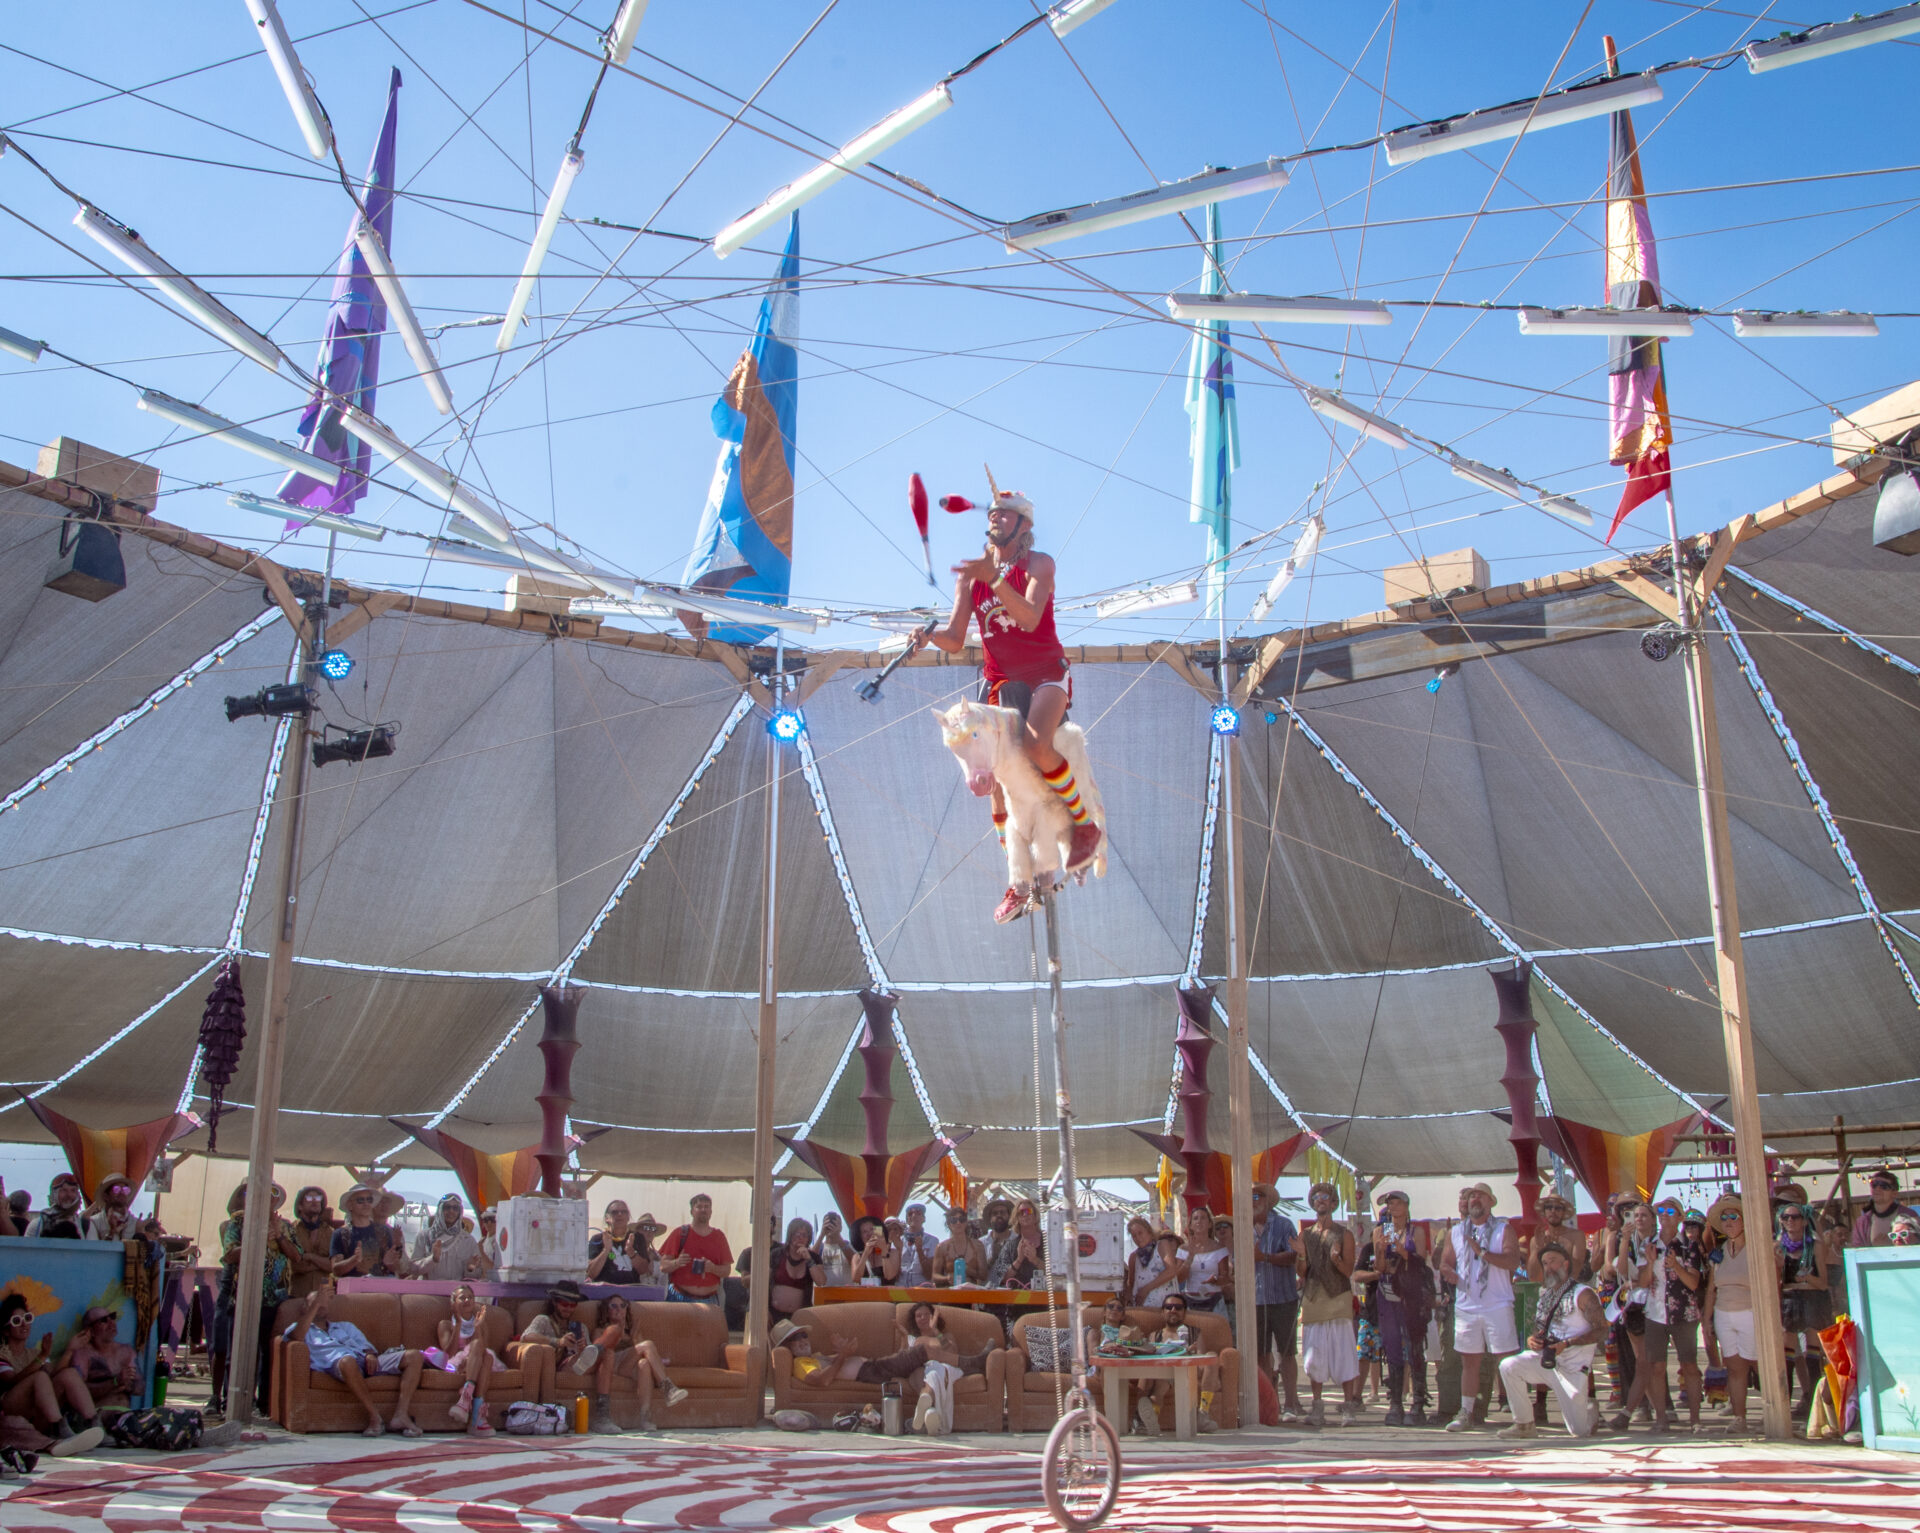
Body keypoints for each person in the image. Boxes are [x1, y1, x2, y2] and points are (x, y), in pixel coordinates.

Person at [917, 487, 1101, 922]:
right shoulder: (973, 575)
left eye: (1005, 514)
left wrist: (994, 577)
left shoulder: (1040, 564)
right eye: (993, 513)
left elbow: (1030, 618)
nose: (995, 518)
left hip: (1045, 673)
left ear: (1024, 527)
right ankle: (1018, 882)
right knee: (996, 779)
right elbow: (957, 638)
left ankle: (1083, 827)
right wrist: (926, 635)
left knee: (1038, 749)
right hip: (999, 679)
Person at [1496, 1242, 1607, 1439]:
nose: (1548, 1267)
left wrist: (1568, 1344)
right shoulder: (1545, 1294)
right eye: (1545, 1263)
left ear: (1565, 1264)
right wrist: (1533, 1340)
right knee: (1509, 1365)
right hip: (1547, 1361)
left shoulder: (1583, 1293)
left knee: (1579, 1431)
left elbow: (1602, 1330)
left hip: (1572, 1367)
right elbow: (1539, 1329)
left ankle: (1590, 1411)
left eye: (1553, 1261)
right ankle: (1524, 1424)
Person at [282, 1287, 424, 1438]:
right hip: (341, 1365)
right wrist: (316, 1304)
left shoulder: (345, 1326)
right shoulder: (301, 1329)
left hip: (364, 1362)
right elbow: (295, 1337)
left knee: (414, 1356)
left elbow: (368, 1348)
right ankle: (375, 1417)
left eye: (324, 1302)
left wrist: (370, 1355)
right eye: (316, 1302)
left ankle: (400, 1415)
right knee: (348, 1361)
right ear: (305, 1307)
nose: (321, 1305)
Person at [1437, 1181, 1520, 1432]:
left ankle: (1519, 1414)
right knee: (1469, 1362)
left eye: (1481, 1196)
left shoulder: (1503, 1229)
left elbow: (1512, 1261)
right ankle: (1466, 1412)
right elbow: (1445, 1262)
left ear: (1491, 1202)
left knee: (1506, 1361)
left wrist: (1483, 1253)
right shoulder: (1456, 1232)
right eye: (1472, 1196)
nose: (1475, 1200)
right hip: (1467, 1305)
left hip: (1497, 1303)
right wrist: (1448, 1272)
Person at [213, 1181, 295, 1419]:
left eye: (272, 1193)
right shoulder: (236, 1223)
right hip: (241, 1295)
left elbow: (297, 1255)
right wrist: (256, 1238)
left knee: (269, 1351)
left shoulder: (286, 1226)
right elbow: (229, 1254)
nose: (264, 1197)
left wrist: (278, 1236)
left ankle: (266, 1405)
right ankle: (233, 1402)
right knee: (234, 1350)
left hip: (275, 1298)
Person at [1356, 1188, 1430, 1427]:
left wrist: (1403, 1253)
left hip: (1410, 1295)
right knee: (1391, 1346)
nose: (1393, 1207)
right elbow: (1380, 1267)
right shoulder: (1381, 1231)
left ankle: (1418, 1401)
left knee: (1414, 1346)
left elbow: (1421, 1262)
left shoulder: (1415, 1231)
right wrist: (1379, 1250)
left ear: (1406, 1206)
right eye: (1390, 1204)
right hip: (1387, 1292)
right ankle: (1395, 1402)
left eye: (1397, 1203)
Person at [0, 1294, 108, 1456]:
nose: (24, 1325)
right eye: (17, 1321)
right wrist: (41, 1358)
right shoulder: (3, 1354)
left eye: (27, 1319)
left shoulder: (34, 1353)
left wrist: (70, 1350)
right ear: (6, 1331)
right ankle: (58, 1428)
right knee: (39, 1376)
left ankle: (94, 1424)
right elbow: (10, 1381)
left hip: (38, 1415)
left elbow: (53, 1381)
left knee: (68, 1374)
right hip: (13, 1413)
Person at [1293, 1182, 1359, 1428]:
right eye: (1316, 1197)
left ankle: (1348, 1407)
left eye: (1325, 1197)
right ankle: (1317, 1406)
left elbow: (1348, 1270)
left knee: (1343, 1353)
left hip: (1338, 1299)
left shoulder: (1345, 1234)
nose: (1320, 1200)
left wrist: (1336, 1258)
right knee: (1313, 1357)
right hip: (1313, 1299)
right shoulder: (1306, 1235)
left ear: (1333, 1204)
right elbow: (1302, 1271)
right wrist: (1301, 1254)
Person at [1641, 1200, 1708, 1431]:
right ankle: (1661, 1419)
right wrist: (1650, 1264)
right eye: (1660, 1211)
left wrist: (1676, 1267)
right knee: (1656, 1367)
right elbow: (1642, 1282)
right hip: (1655, 1312)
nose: (1664, 1215)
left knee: (1689, 1365)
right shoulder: (1650, 1244)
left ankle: (1695, 1419)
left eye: (1670, 1211)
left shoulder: (1689, 1246)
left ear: (1680, 1217)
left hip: (1684, 1313)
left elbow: (1693, 1283)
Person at [1702, 1195, 1761, 1433]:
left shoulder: (1758, 1247)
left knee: (1759, 1364)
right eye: (1724, 1218)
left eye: (1733, 1217)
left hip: (1751, 1311)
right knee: (1735, 1368)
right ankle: (1740, 1418)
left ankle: (1776, 1409)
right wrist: (1706, 1319)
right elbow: (1711, 1288)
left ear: (1744, 1220)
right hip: (1724, 1313)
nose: (1728, 1222)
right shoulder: (1719, 1252)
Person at [1249, 1185, 1303, 1422]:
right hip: (1255, 1300)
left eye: (1256, 1196)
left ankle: (1291, 1404)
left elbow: (1294, 1257)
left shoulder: (1283, 1225)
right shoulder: (1241, 1227)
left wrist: (1266, 1258)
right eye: (1249, 1197)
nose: (1253, 1201)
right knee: (1260, 1356)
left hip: (1283, 1298)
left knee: (1287, 1353)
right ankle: (1269, 1406)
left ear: (1268, 1200)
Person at [1776, 1202, 1833, 1417]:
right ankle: (1784, 1406)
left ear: (1804, 1220)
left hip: (1812, 1297)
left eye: (1796, 1217)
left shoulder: (1815, 1245)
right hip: (1789, 1299)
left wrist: (1806, 1276)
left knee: (1813, 1354)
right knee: (1787, 1354)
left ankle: (1815, 1405)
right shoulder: (1777, 1246)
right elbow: (1776, 1283)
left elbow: (1823, 1283)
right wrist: (1780, 1267)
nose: (1791, 1221)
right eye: (1786, 1217)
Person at [429, 1284, 498, 1437]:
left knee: (486, 1356)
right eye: (462, 1297)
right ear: (453, 1303)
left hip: (476, 1362)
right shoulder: (445, 1325)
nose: (467, 1300)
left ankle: (465, 1402)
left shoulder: (480, 1322)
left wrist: (478, 1328)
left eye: (470, 1297)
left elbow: (482, 1349)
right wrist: (459, 1325)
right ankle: (477, 1419)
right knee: (483, 1355)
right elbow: (449, 1353)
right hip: (456, 1363)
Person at [659, 1193, 732, 1305]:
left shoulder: (719, 1236)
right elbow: (663, 1266)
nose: (703, 1210)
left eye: (707, 1206)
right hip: (680, 1298)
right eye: (699, 1207)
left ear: (711, 1212)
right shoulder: (680, 1233)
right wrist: (677, 1262)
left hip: (709, 1301)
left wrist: (712, 1268)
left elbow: (727, 1271)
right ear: (692, 1211)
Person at [331, 1184, 408, 1278]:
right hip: (353, 1289)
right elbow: (336, 1270)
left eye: (369, 1200)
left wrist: (389, 1263)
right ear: (350, 1205)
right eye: (360, 1200)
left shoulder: (385, 1231)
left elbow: (396, 1268)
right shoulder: (341, 1233)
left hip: (381, 1289)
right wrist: (354, 1260)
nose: (366, 1203)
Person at [411, 1193, 484, 1281]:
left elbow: (477, 1275)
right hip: (429, 1291)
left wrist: (470, 1268)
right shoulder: (424, 1236)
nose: (451, 1211)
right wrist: (432, 1259)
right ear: (440, 1210)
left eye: (455, 1208)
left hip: (455, 1291)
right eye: (447, 1207)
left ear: (459, 1212)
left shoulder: (468, 1240)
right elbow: (413, 1269)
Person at [587, 1201, 659, 1284]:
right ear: (607, 1218)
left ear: (628, 1217)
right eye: (615, 1212)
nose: (620, 1214)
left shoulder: (637, 1238)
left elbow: (643, 1270)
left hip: (630, 1291)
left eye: (624, 1212)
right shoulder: (597, 1239)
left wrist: (631, 1252)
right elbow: (591, 1273)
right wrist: (606, 1250)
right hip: (604, 1290)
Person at [286, 1186, 338, 1299]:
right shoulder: (291, 1230)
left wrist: (309, 1257)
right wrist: (322, 1263)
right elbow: (295, 1266)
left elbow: (333, 1266)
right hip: (298, 1295)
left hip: (325, 1296)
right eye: (309, 1198)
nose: (315, 1201)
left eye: (318, 1198)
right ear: (299, 1206)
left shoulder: (331, 1232)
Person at [770, 1219, 822, 1323]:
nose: (800, 1238)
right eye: (796, 1234)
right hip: (774, 1314)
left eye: (804, 1235)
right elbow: (764, 1284)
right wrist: (765, 1311)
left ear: (808, 1239)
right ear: (790, 1235)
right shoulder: (776, 1254)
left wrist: (809, 1260)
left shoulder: (814, 1258)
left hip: (800, 1316)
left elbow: (821, 1281)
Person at [1851, 1169, 1917, 1246]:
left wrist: (1888, 1246)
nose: (1877, 1189)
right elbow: (1857, 1251)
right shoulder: (1862, 1222)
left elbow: (1916, 1246)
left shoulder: (1909, 1216)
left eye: (1884, 1186)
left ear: (1894, 1193)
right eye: (1874, 1185)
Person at [22, 1173, 93, 1239]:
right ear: (54, 1194)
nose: (69, 1195)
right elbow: (27, 1251)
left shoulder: (84, 1225)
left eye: (73, 1190)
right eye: (63, 1190)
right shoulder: (38, 1225)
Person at [933, 1204, 985, 1285]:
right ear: (949, 1224)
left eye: (962, 1219)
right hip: (950, 1291)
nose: (958, 1223)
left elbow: (984, 1275)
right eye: (954, 1220)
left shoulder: (978, 1246)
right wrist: (947, 1278)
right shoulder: (941, 1247)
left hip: (972, 1291)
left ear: (966, 1222)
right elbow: (935, 1276)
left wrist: (969, 1271)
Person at [86, 1174, 147, 1243]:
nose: (122, 1192)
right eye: (116, 1189)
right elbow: (94, 1250)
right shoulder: (94, 1222)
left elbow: (142, 1252)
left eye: (125, 1189)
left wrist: (139, 1233)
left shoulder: (135, 1223)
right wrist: (111, 1232)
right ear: (105, 1196)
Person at [851, 1216, 901, 1285]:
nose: (869, 1234)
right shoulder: (856, 1257)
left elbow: (889, 1276)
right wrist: (865, 1254)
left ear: (879, 1231)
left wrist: (883, 1249)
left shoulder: (893, 1252)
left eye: (872, 1229)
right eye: (864, 1231)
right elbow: (856, 1279)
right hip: (866, 1294)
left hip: (888, 1294)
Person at [897, 1204, 938, 1286]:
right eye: (910, 1214)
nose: (914, 1216)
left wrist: (919, 1250)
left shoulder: (932, 1241)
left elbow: (929, 1274)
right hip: (901, 1290)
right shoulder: (898, 1241)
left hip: (922, 1290)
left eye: (918, 1213)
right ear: (907, 1220)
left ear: (924, 1219)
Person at [813, 1211, 856, 1286]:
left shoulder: (848, 1245)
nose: (831, 1226)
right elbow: (810, 1258)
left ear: (841, 1227)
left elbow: (854, 1261)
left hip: (846, 1294)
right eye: (827, 1223)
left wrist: (838, 1236)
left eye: (836, 1224)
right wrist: (822, 1234)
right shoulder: (819, 1247)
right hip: (824, 1295)